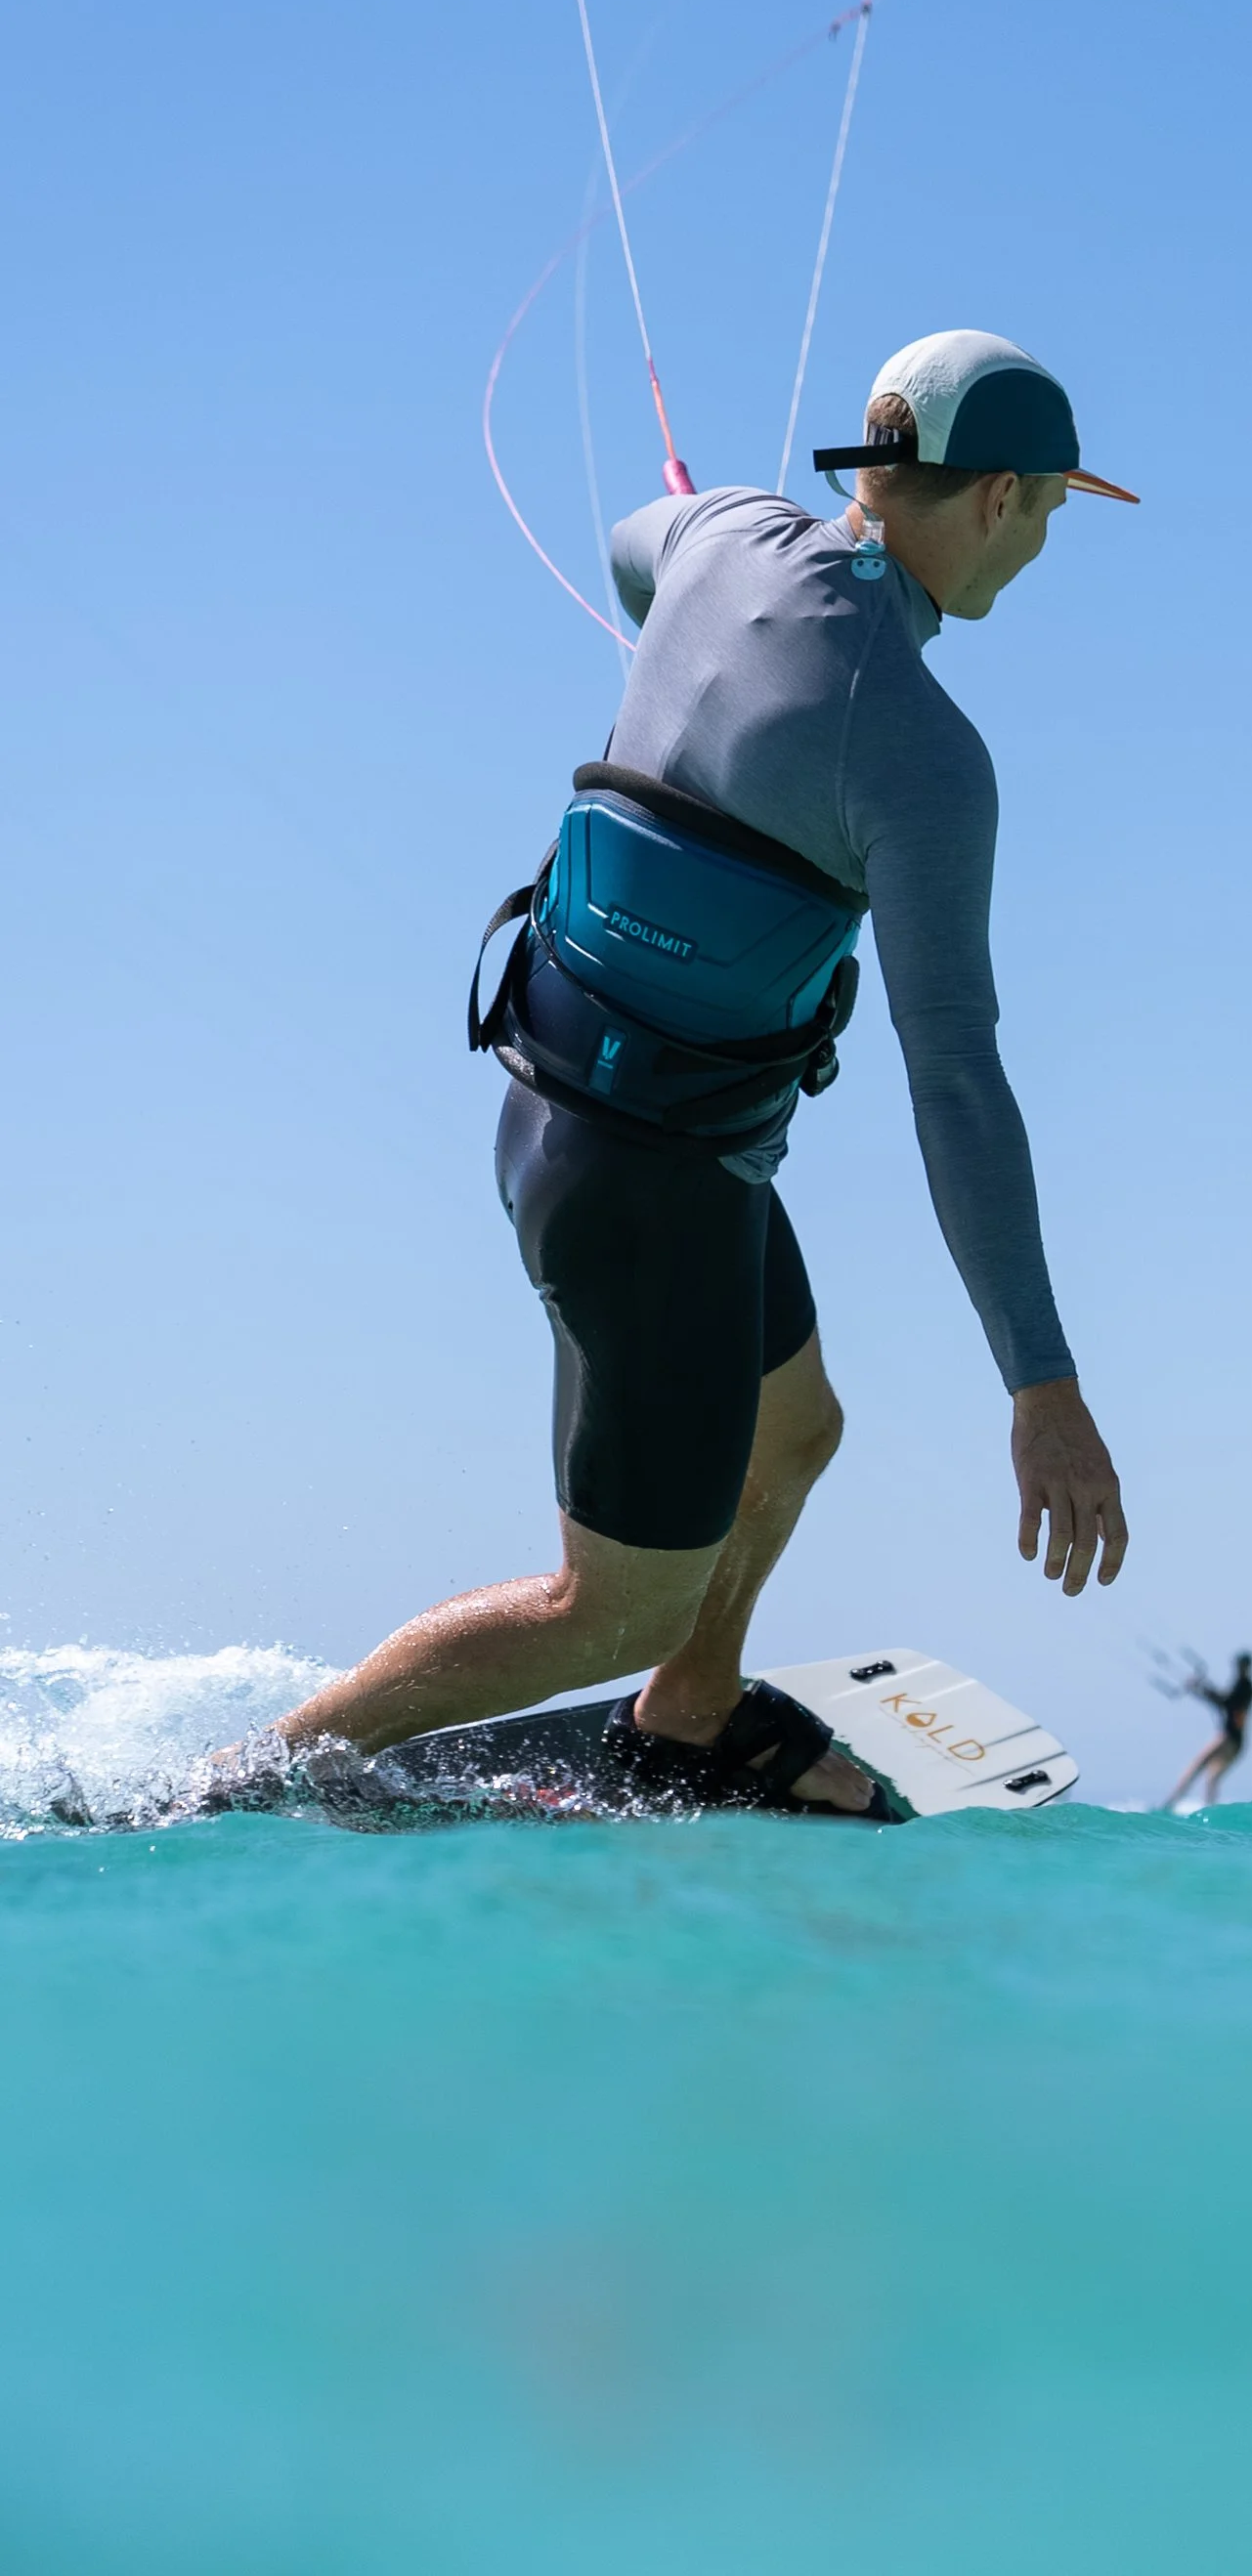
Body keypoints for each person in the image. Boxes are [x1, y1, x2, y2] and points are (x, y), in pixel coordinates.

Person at [250, 330, 1134, 1818]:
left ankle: (691, 1711)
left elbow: (629, 545)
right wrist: (1041, 1384)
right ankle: (258, 1773)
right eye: (1043, 509)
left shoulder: (726, 527)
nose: (1040, 545)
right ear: (991, 497)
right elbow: (957, 1079)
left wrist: (698, 626)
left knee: (800, 1427)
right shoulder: (923, 756)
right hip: (641, 1182)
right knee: (606, 1602)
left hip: (594, 1110)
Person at [1162, 1651, 1252, 1810]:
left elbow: (1226, 1702)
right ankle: (1207, 1808)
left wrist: (1201, 1689)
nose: (1239, 1669)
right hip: (1236, 1741)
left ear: (1247, 1667)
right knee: (1212, 1777)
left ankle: (1170, 1804)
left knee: (1198, 1766)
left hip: (1229, 1738)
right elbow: (1223, 1701)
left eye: (1241, 1666)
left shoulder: (1245, 1686)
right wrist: (1201, 1690)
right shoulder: (1241, 1685)